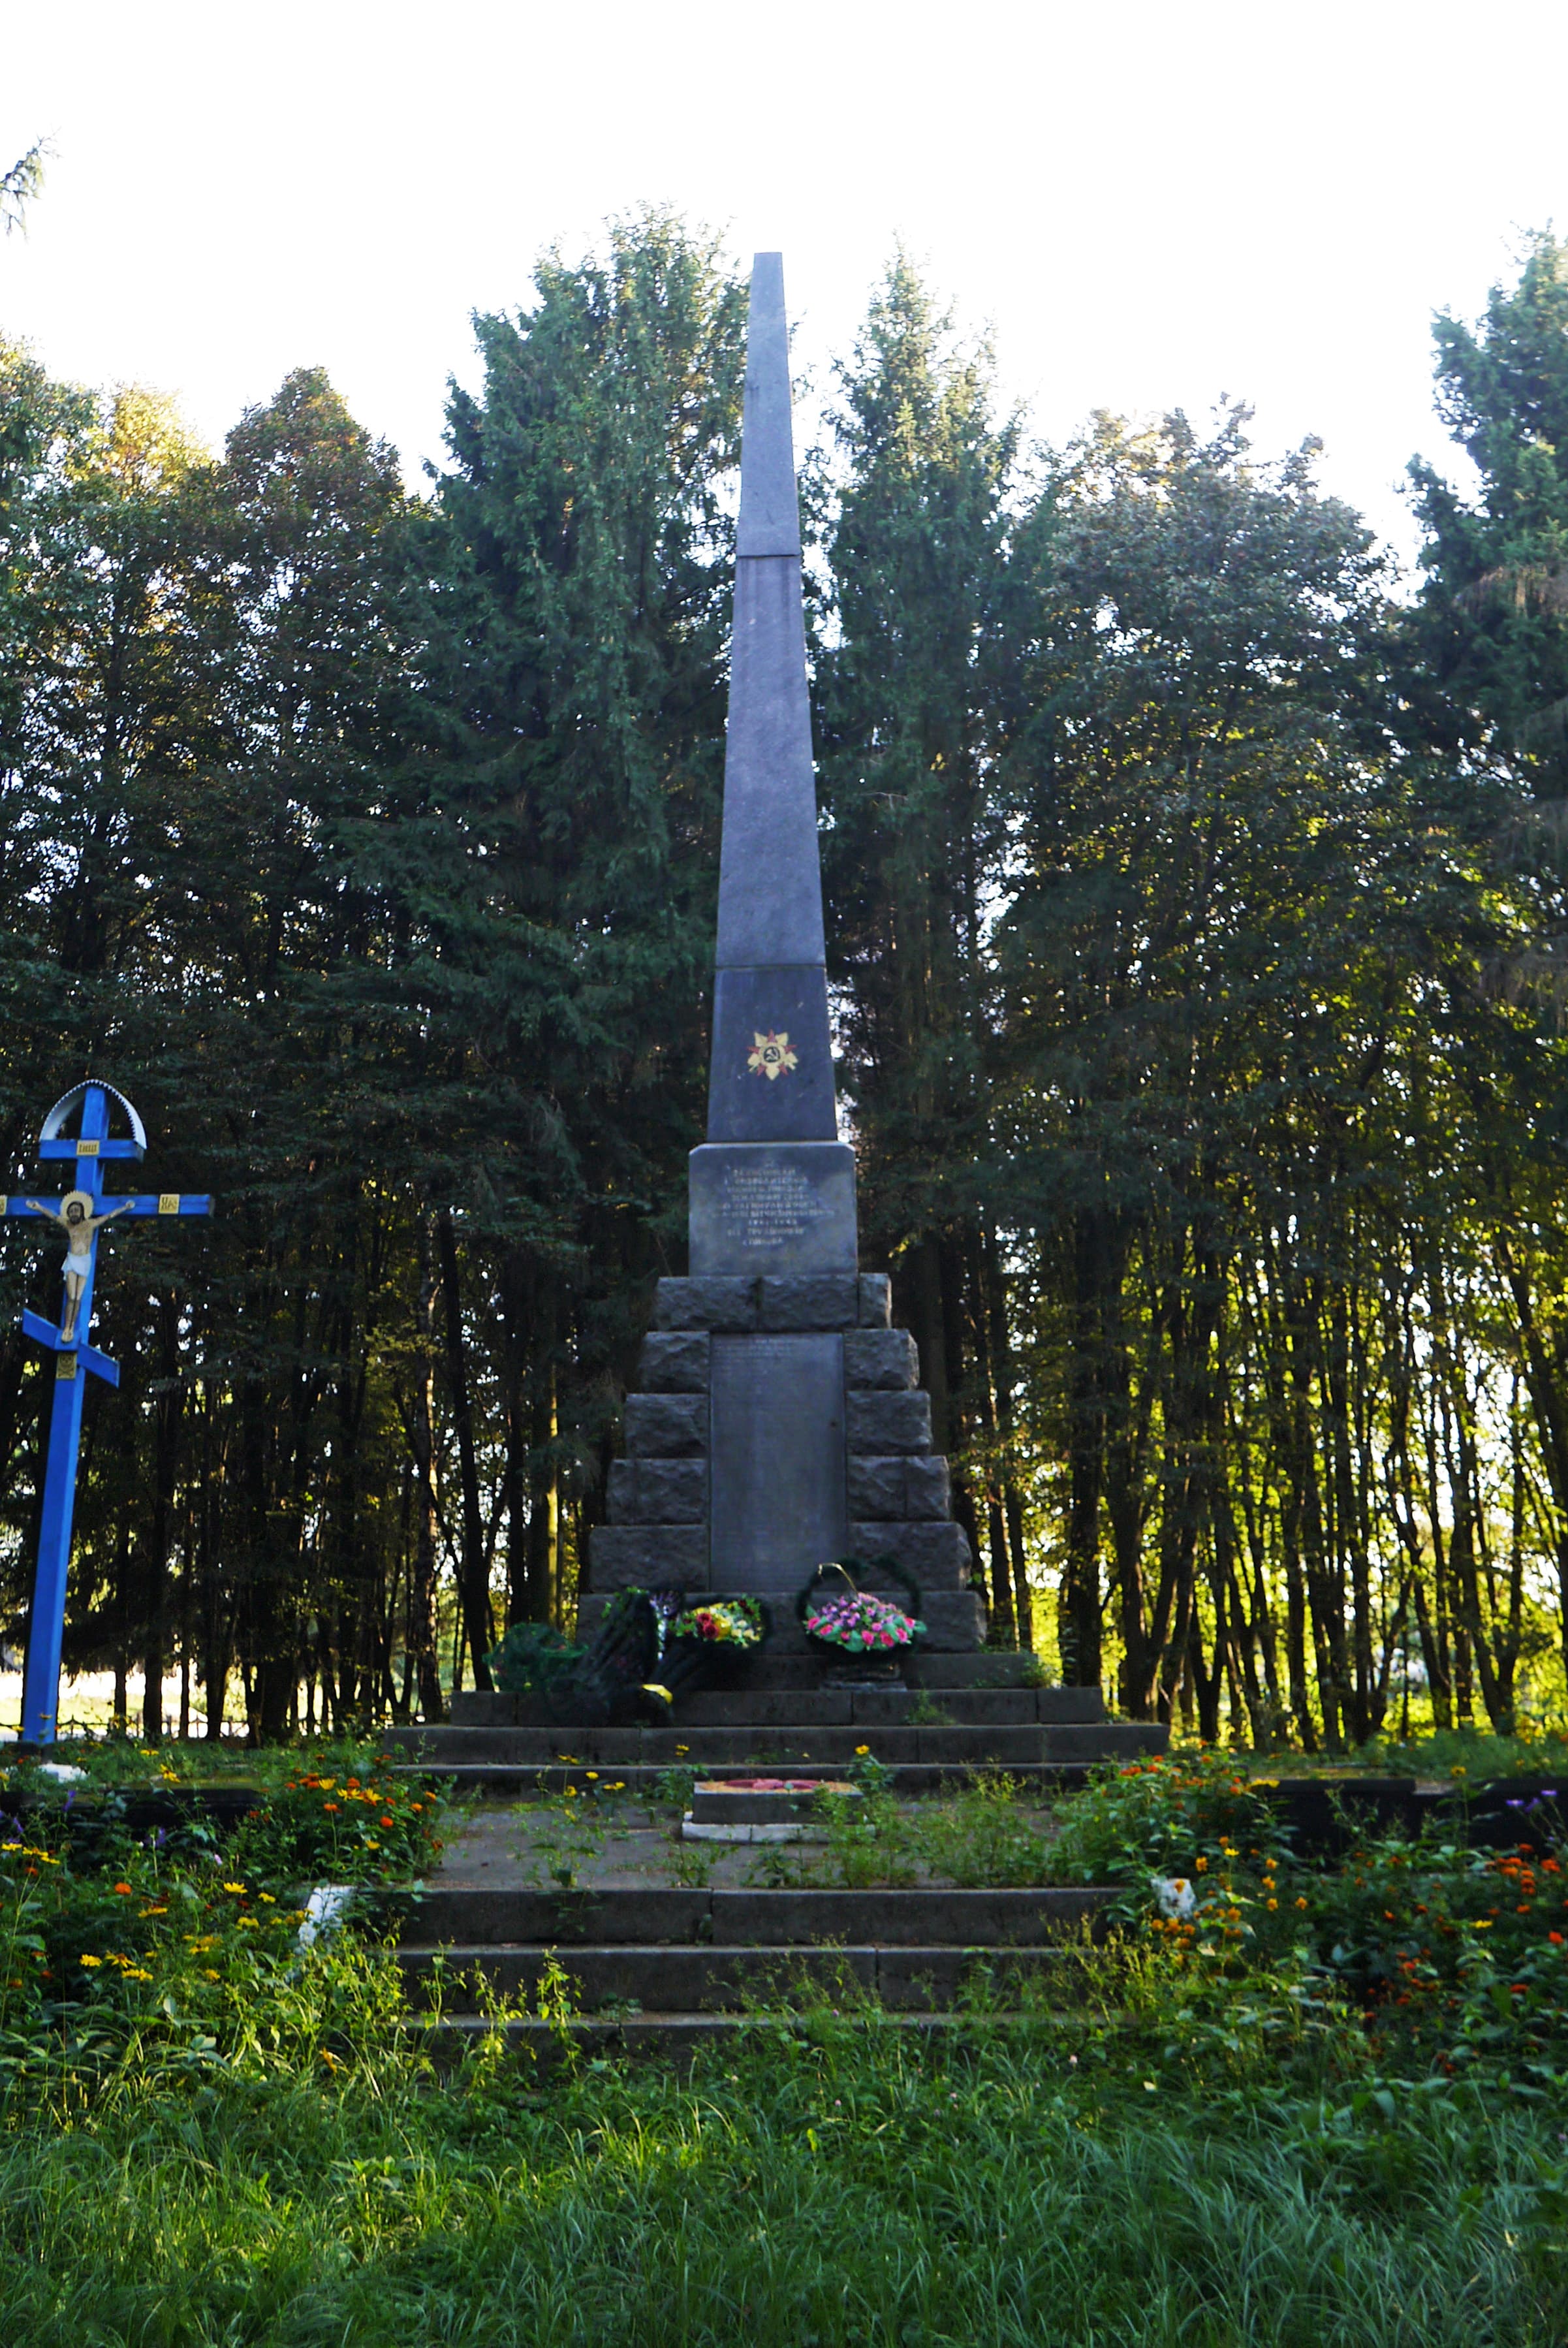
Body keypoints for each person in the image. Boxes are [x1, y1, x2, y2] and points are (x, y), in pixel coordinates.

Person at [24, 1189, 129, 1341]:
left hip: (85, 1261)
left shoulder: (90, 1224)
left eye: (76, 1210)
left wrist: (125, 1208)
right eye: (71, 1211)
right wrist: (38, 1207)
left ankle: (71, 1327)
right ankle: (66, 1327)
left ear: (82, 1212)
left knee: (78, 1297)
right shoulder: (68, 1225)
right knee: (71, 1296)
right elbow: (54, 1217)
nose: (74, 1213)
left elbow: (109, 1216)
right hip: (73, 1261)